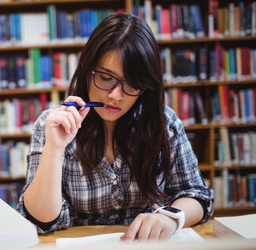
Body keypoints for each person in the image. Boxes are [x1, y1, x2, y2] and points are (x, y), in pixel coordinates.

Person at [16, 13, 214, 242]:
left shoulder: (163, 123)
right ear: (86, 70)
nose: (115, 96)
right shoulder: (54, 124)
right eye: (106, 78)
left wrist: (172, 217)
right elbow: (41, 221)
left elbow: (197, 196)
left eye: (131, 83)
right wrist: (54, 149)